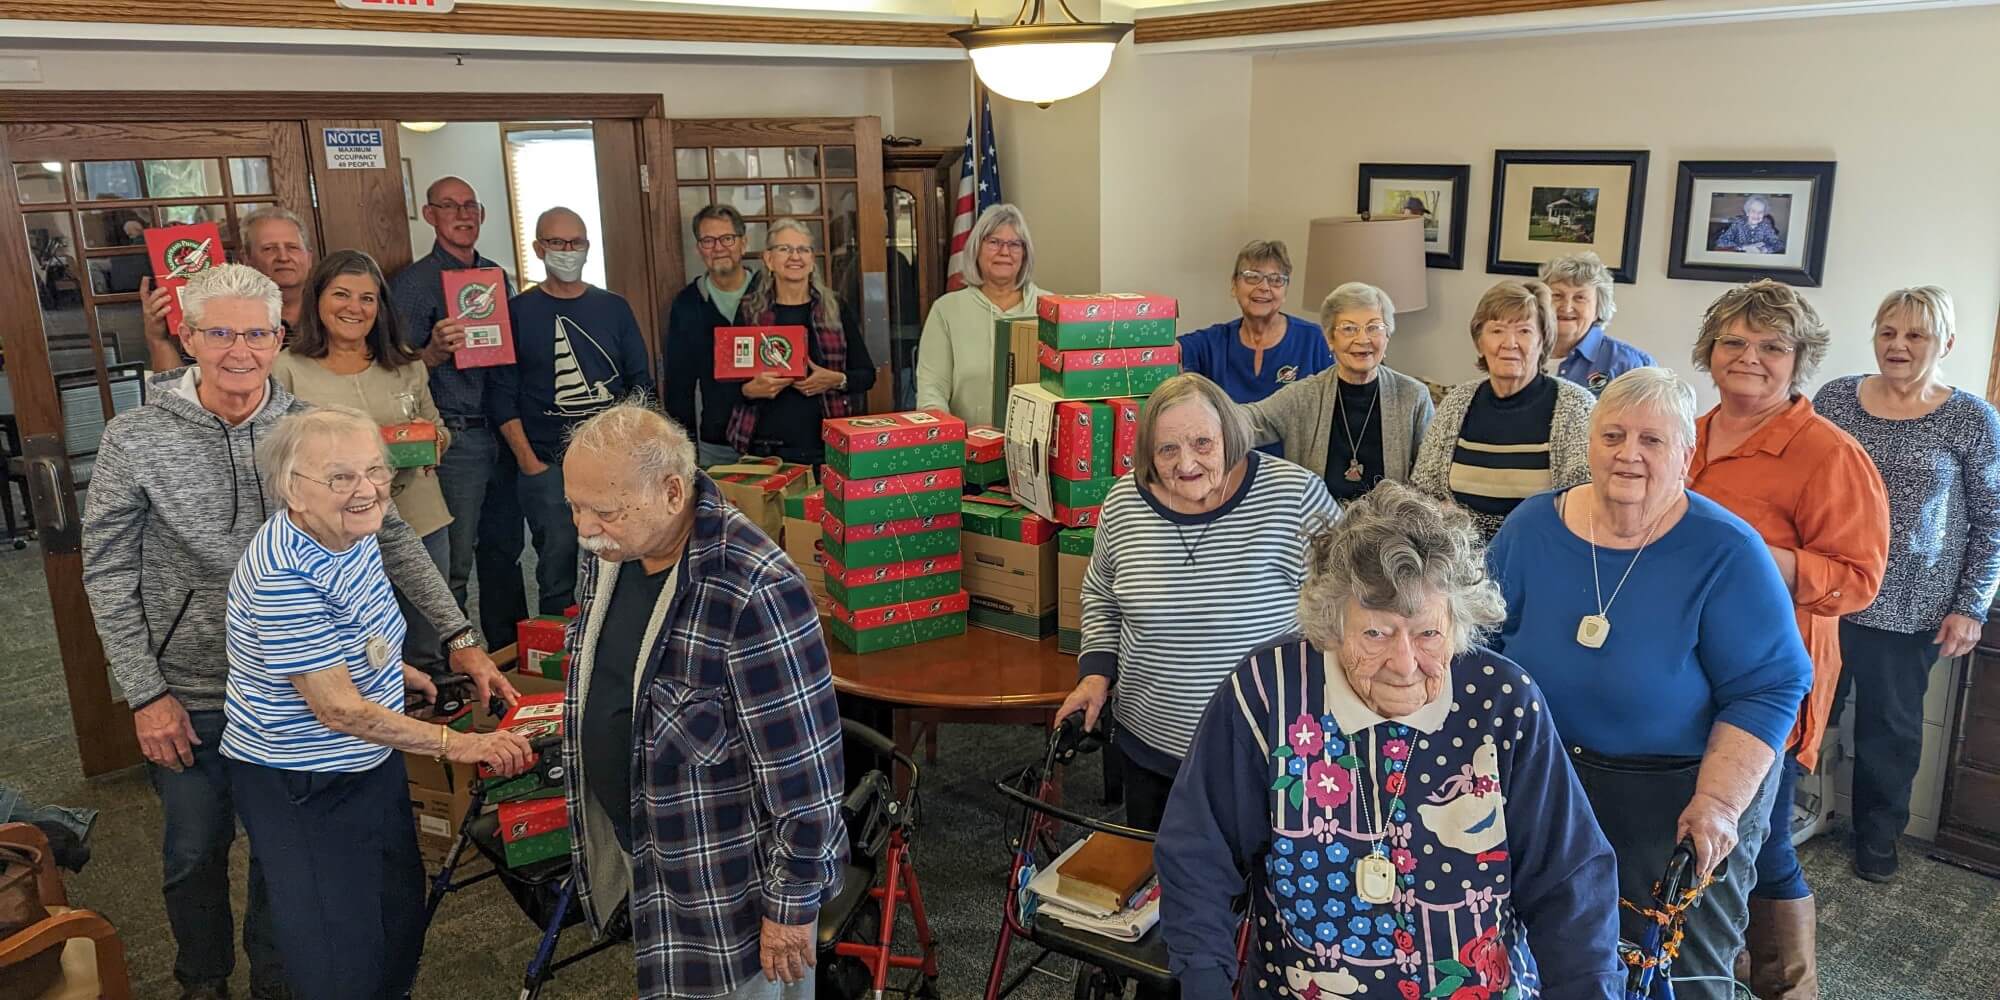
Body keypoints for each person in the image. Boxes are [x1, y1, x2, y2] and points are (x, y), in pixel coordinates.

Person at [79, 264, 516, 1000]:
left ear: (278, 337)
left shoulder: (306, 425)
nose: (239, 351)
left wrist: (457, 634)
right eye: (220, 333)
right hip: (188, 688)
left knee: (288, 873)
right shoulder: (137, 437)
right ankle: (203, 981)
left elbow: (391, 533)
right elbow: (107, 572)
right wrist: (143, 692)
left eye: (256, 333)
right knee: (195, 850)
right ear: (188, 338)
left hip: (315, 690)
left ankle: (280, 987)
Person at [1159, 482, 1622, 1000]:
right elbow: (1199, 855)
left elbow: (1571, 880)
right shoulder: (1268, 692)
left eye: (1428, 634)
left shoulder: (1503, 702)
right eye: (1376, 634)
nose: (1404, 666)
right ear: (1334, 624)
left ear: (1459, 624)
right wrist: (1204, 984)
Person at [1488, 367, 1813, 1000]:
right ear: (1588, 443)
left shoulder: (1726, 550)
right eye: (1612, 435)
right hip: (1547, 778)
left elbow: (1771, 685)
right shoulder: (1531, 527)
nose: (1628, 454)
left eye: (1652, 440)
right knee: (1544, 942)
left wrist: (1718, 804)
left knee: (1684, 967)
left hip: (1679, 790)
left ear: (1686, 454)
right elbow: (1483, 645)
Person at [223, 406, 534, 1000]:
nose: (367, 490)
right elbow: (336, 709)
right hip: (303, 780)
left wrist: (394, 669)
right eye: (341, 477)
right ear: (293, 488)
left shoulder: (351, 530)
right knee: (340, 947)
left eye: (375, 470)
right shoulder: (282, 575)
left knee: (395, 910)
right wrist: (461, 744)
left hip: (369, 760)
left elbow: (351, 633)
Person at [558, 403, 846, 999]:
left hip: (729, 889)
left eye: (602, 512)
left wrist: (790, 909)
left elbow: (806, 778)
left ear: (671, 491)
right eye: (574, 507)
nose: (583, 528)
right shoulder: (613, 552)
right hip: (656, 858)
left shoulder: (754, 588)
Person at [1688, 280, 1887, 999]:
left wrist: (1759, 556)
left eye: (1772, 346)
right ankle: (1723, 959)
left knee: (1762, 833)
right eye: (1734, 341)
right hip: (1685, 669)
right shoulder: (1691, 431)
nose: (1750, 357)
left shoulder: (1828, 453)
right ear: (1709, 351)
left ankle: (1788, 982)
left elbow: (1860, 579)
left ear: (1798, 360)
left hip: (1769, 676)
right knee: (1707, 823)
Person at [1054, 373, 1338, 830]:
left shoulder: (1294, 497)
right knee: (1153, 889)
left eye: (1203, 443)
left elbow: (1344, 602)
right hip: (1150, 746)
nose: (1186, 463)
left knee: (1255, 889)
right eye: (1167, 449)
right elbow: (1102, 594)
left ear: (1231, 434)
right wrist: (1094, 675)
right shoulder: (1125, 501)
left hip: (1266, 752)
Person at [1815, 286, 2000, 884]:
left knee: (1888, 734)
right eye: (1888, 332)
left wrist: (1972, 606)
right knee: (1802, 714)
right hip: (1828, 593)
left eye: (1915, 335)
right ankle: (1777, 826)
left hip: (1911, 609)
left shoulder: (1972, 417)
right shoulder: (1836, 398)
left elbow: (1993, 519)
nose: (1898, 345)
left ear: (1945, 344)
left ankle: (1877, 839)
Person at [274, 249, 456, 676]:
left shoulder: (407, 362)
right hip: (333, 536)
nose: (354, 308)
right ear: (317, 300)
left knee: (427, 639)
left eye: (368, 298)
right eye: (342, 294)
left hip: (420, 519)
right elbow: (278, 458)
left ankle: (429, 732)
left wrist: (433, 443)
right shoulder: (286, 370)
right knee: (355, 646)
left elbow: (437, 427)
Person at [489, 206, 653, 615]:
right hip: (546, 466)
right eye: (556, 242)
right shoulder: (516, 313)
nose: (567, 250)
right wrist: (529, 463)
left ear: (587, 247)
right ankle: (557, 656)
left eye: (575, 242)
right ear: (538, 248)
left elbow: (640, 384)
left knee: (623, 558)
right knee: (558, 567)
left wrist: (635, 455)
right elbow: (502, 391)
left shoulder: (614, 307)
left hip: (613, 464)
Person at [390, 174, 527, 649]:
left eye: (470, 205)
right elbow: (396, 367)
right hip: (454, 436)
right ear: (430, 215)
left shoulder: (495, 276)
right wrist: (432, 353)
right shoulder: (412, 283)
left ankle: (511, 653)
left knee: (506, 550)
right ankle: (449, 663)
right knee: (453, 560)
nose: (462, 214)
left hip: (503, 429)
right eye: (449, 206)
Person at [1410, 279, 1595, 540]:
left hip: (1538, 552)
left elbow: (1583, 498)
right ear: (1480, 342)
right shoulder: (1457, 402)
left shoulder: (1576, 406)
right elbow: (1423, 492)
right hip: (1458, 556)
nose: (1510, 343)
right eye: (1497, 331)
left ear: (1543, 340)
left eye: (1524, 331)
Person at [1243, 281, 1432, 501]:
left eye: (1373, 327)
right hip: (1318, 528)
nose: (1362, 339)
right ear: (1330, 339)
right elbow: (1248, 421)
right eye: (1349, 328)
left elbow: (1429, 479)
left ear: (1387, 336)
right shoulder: (1304, 396)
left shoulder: (1413, 397)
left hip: (1389, 530)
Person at [725, 218, 876, 465]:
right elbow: (725, 386)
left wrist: (835, 380)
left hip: (829, 448)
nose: (795, 256)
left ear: (811, 261)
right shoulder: (749, 311)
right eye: (784, 249)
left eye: (803, 249)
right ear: (768, 259)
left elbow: (867, 375)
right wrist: (749, 390)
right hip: (764, 451)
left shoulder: (835, 308)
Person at [1176, 240, 1332, 442]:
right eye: (1252, 277)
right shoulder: (1212, 342)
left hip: (1295, 467)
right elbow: (1161, 353)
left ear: (1285, 291)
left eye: (1276, 280)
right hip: (1227, 464)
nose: (1264, 287)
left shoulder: (1314, 340)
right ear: (1234, 285)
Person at [913, 202, 1045, 427]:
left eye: (1014, 244)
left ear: (1024, 253)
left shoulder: (1050, 309)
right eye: (994, 242)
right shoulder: (946, 310)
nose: (1004, 252)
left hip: (1038, 455)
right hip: (968, 450)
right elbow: (931, 391)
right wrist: (958, 436)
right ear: (976, 249)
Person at [142, 205, 316, 370]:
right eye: (269, 249)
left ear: (309, 257)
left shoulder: (327, 312)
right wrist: (158, 339)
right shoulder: (216, 318)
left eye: (292, 247)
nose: (283, 257)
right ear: (246, 259)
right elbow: (175, 390)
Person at [664, 204, 765, 467]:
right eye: (708, 240)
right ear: (699, 249)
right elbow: (678, 387)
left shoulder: (770, 294)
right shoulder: (687, 304)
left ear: (743, 243)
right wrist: (684, 453)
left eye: (727, 238)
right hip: (716, 443)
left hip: (772, 439)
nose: (718, 248)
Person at [1540, 251, 1653, 394]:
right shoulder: (1520, 351)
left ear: (1599, 308)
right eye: (1557, 295)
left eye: (1580, 297)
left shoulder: (1630, 365)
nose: (1566, 307)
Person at [1714, 196, 1787, 254]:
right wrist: (1744, 247)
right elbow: (1721, 241)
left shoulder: (1766, 226)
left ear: (1764, 214)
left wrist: (1764, 249)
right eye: (1753, 211)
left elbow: (1779, 244)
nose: (1756, 215)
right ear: (1747, 212)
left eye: (1760, 212)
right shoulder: (1738, 224)